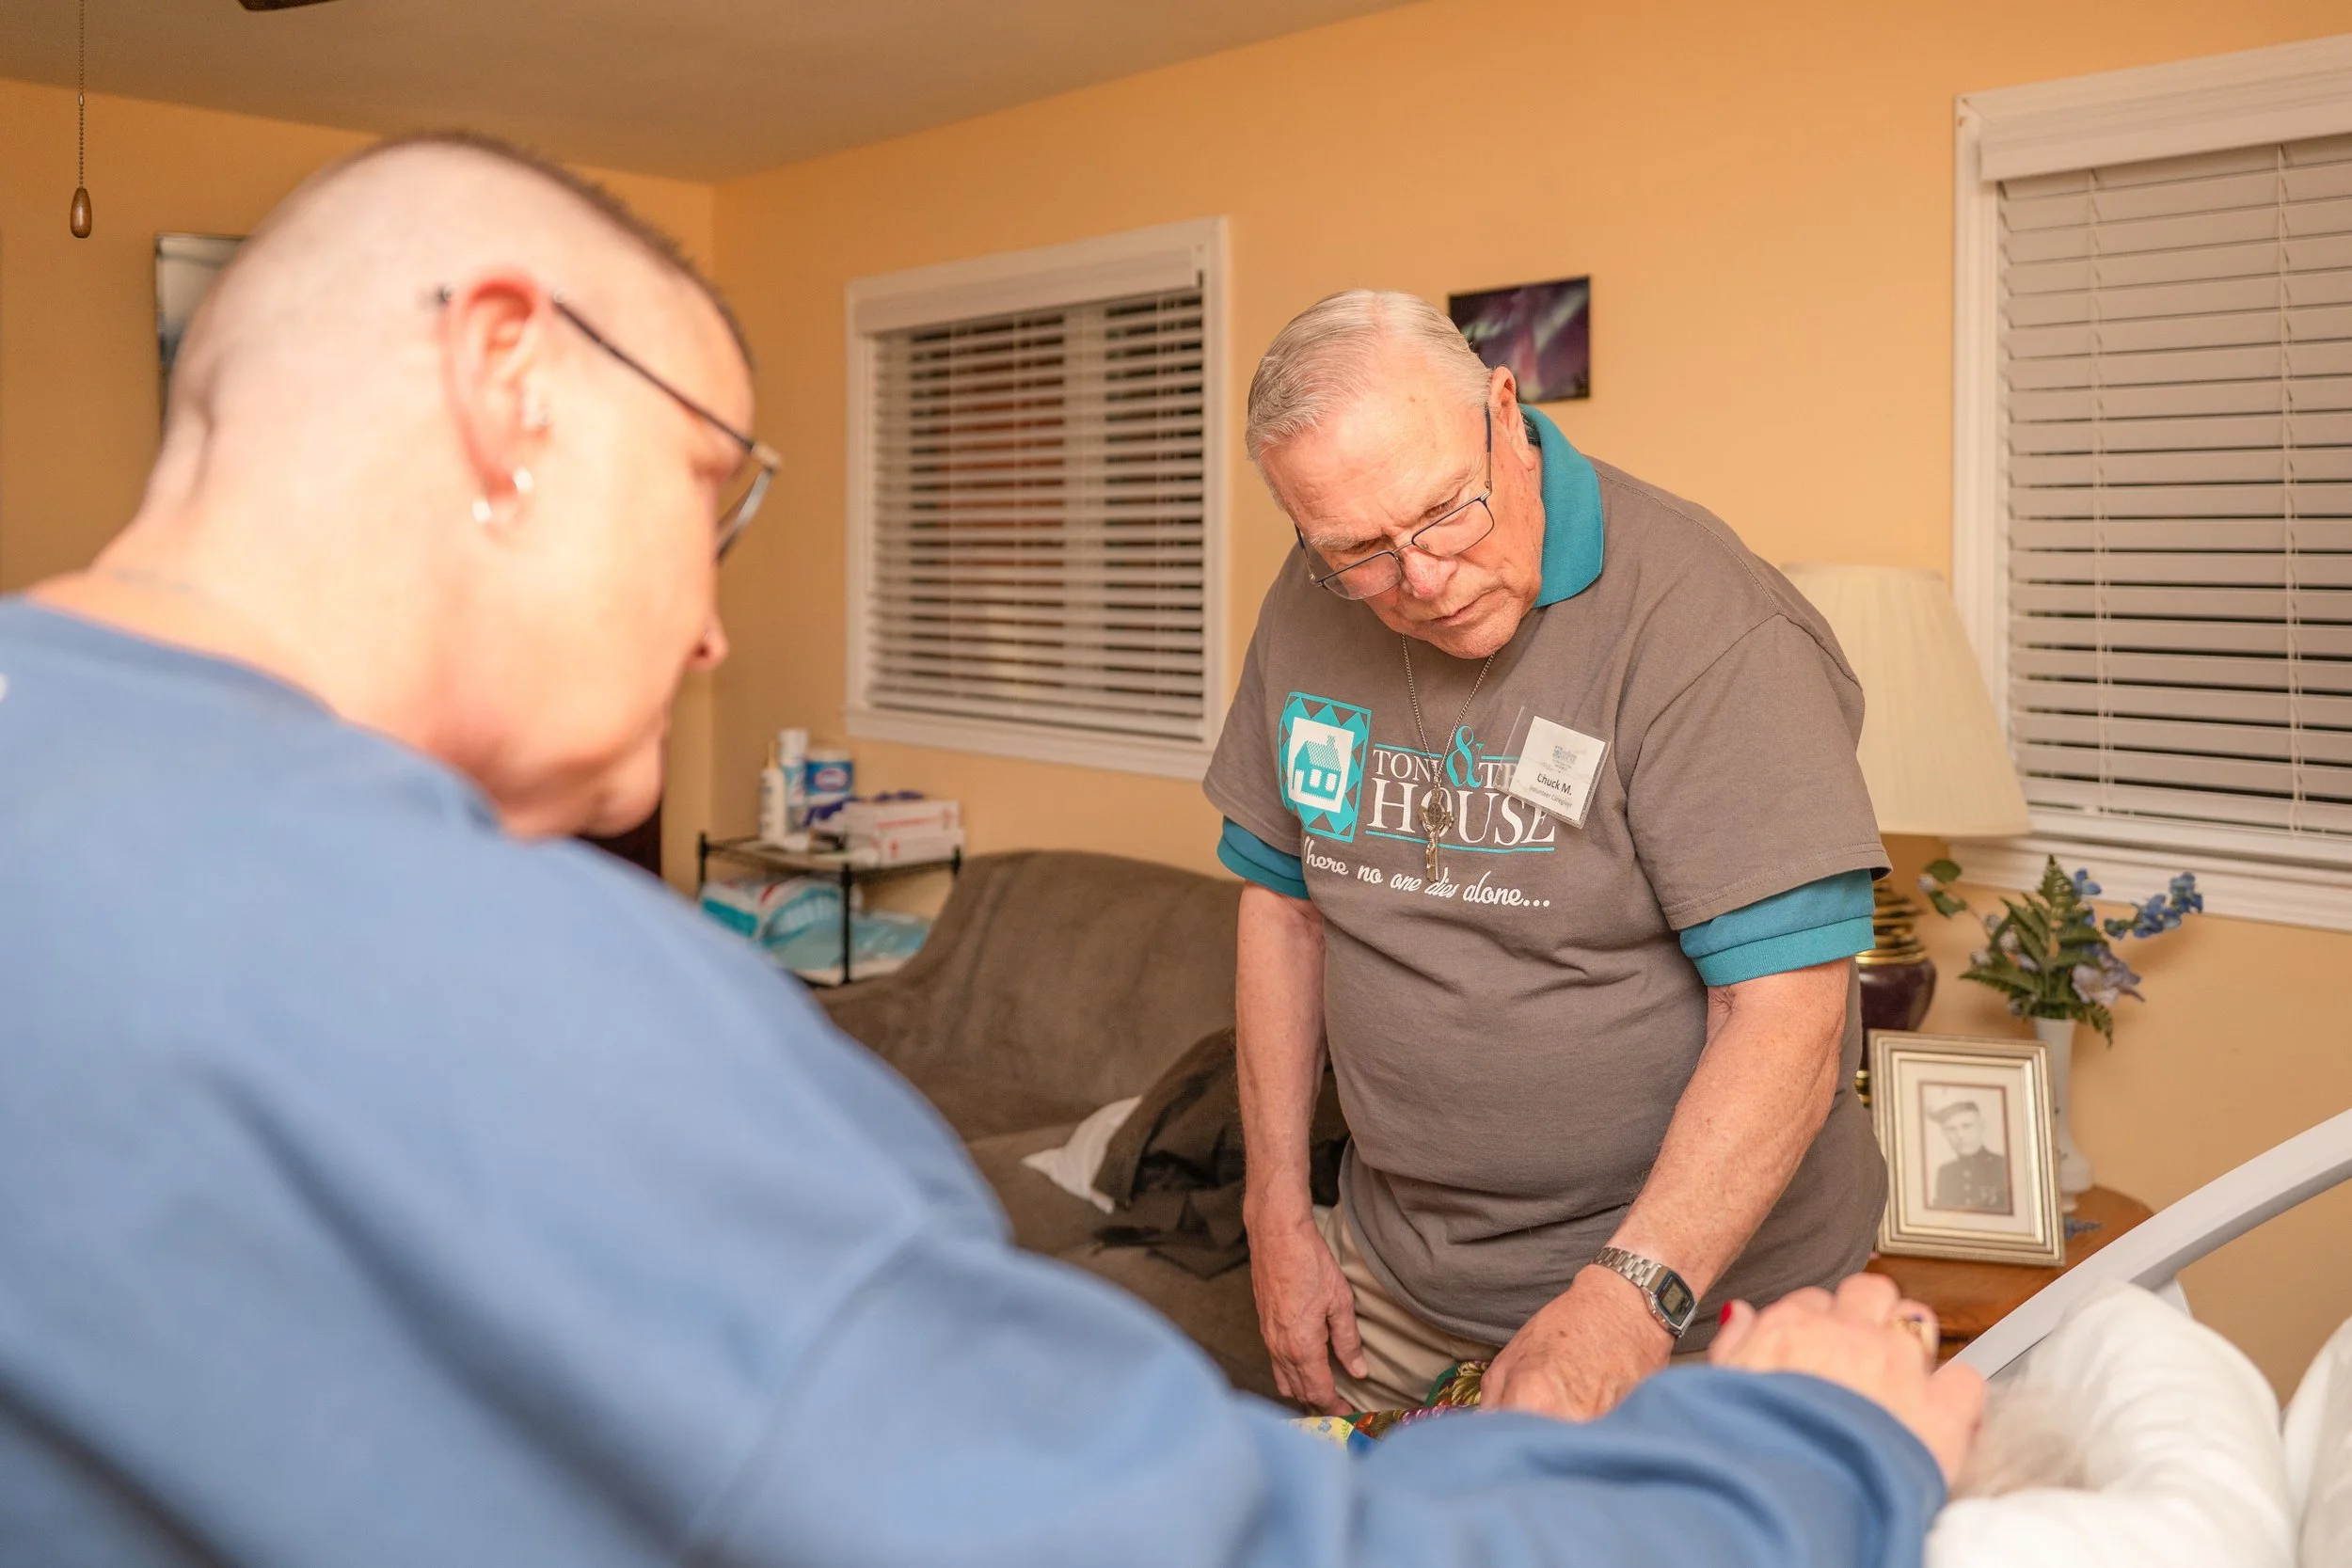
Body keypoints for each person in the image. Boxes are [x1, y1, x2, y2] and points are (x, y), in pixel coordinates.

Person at [0, 135, 1980, 1568]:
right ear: (505, 387)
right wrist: (1797, 1459)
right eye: (716, 490)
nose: (707, 622)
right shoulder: (531, 995)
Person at [1207, 291, 1893, 1419]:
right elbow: (1283, 907)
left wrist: (1629, 1300)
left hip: (1692, 1303)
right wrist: (1276, 1212)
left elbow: (1785, 1012)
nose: (1418, 579)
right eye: (1359, 552)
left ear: (1505, 411)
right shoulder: (1310, 596)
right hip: (1391, 1277)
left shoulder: (1709, 627)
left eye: (1444, 514)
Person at [1930, 1101, 2011, 1214]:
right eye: (1951, 1129)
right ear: (1944, 1134)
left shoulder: (2004, 1165)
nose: (1960, 1136)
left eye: (1967, 1126)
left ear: (1982, 1126)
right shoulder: (1945, 1172)